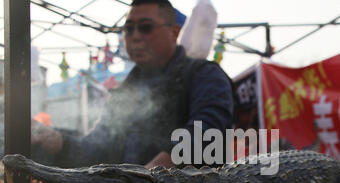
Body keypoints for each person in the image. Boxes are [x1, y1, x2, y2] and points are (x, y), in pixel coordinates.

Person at [31, 0, 234, 169]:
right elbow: (95, 150)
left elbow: (207, 131)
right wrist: (56, 141)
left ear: (174, 32)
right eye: (128, 29)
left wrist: (152, 176)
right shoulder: (123, 92)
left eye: (146, 27)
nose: (135, 36)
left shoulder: (203, 74)